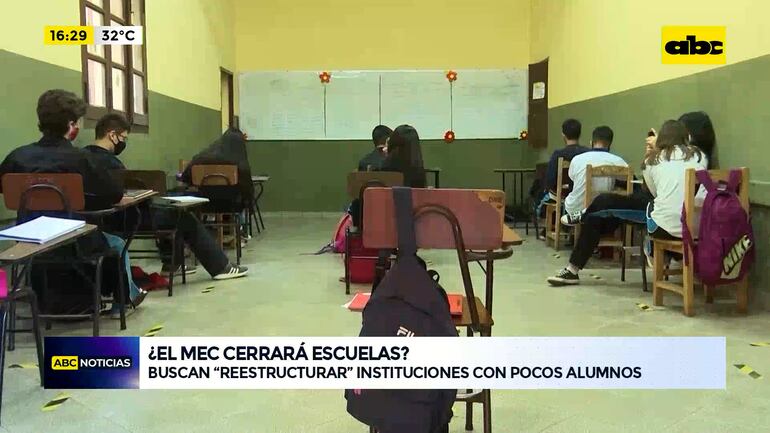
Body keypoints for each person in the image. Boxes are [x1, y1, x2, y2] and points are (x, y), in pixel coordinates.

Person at [0, 89, 146, 314]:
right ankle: (123, 301)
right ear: (71, 125)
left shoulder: (17, 156)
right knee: (116, 244)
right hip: (74, 243)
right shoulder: (81, 158)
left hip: (29, 243)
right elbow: (113, 194)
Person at [85, 114, 249, 281]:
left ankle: (174, 265)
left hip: (91, 222)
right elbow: (118, 196)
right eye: (123, 138)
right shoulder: (111, 164)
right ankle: (220, 267)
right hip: (123, 219)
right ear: (112, 135)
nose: (124, 142)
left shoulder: (81, 158)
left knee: (166, 212)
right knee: (181, 216)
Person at [547, 120, 706, 286]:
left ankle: (573, 264)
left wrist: (651, 152)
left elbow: (653, 193)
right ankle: (586, 217)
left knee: (602, 204)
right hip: (698, 226)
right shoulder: (700, 157)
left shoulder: (654, 159)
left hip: (663, 225)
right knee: (600, 212)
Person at [348, 124, 427, 226]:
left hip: (380, 223)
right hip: (413, 224)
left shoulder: (379, 169)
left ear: (391, 144)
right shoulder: (418, 173)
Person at [562, 126, 628, 218]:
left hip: (576, 208)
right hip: (603, 209)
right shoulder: (618, 161)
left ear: (591, 142)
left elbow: (572, 178)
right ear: (610, 144)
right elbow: (627, 179)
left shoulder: (577, 159)